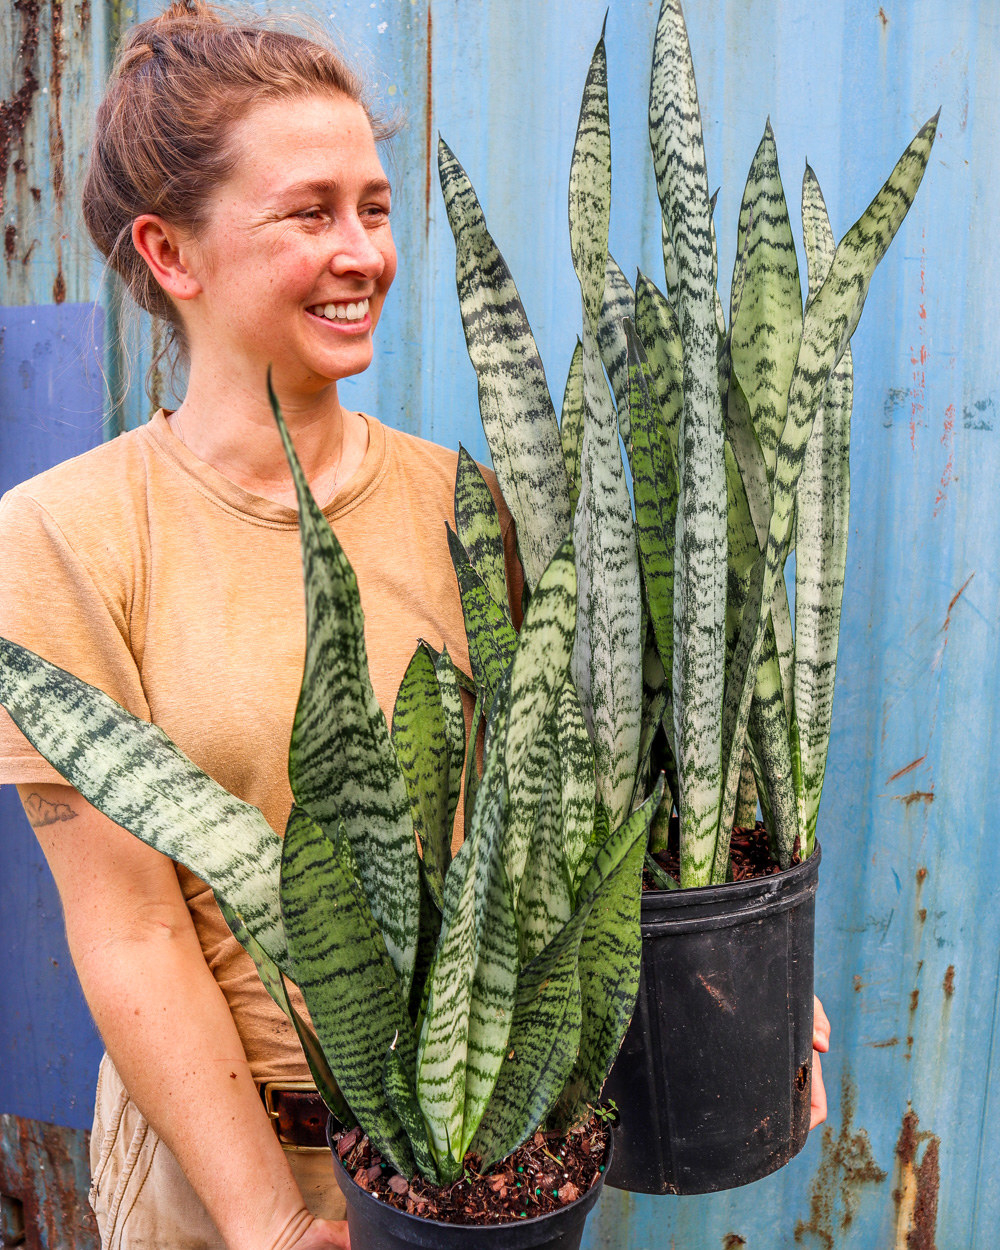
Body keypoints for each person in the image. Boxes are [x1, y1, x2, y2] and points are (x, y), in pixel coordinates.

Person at [0, 4, 828, 1247]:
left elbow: (590, 822)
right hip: (220, 1166)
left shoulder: (476, 506)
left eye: (374, 208)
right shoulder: (63, 535)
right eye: (308, 211)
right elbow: (129, 929)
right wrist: (272, 1222)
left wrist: (740, 1001)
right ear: (172, 253)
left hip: (491, 1164)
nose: (362, 252)